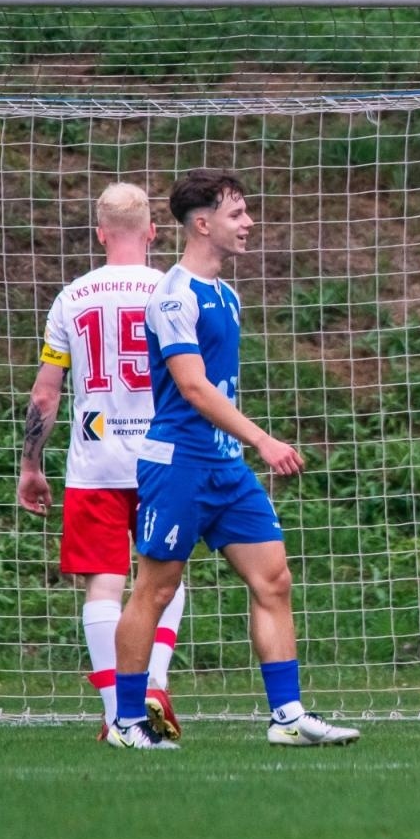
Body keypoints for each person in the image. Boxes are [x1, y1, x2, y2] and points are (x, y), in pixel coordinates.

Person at [107, 168, 360, 749]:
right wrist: (264, 441)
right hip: (179, 466)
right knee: (156, 589)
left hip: (225, 469)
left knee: (273, 580)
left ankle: (288, 717)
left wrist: (243, 449)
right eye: (237, 213)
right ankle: (125, 721)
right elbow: (194, 388)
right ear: (203, 224)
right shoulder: (172, 296)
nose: (248, 224)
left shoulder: (225, 293)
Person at [18, 182, 186, 741]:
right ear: (153, 232)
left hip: (95, 461)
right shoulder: (171, 290)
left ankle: (119, 712)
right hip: (163, 456)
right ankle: (154, 682)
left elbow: (46, 394)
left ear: (99, 233)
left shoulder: (72, 297)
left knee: (104, 587)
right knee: (163, 573)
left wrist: (31, 465)